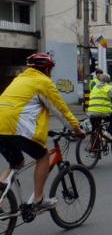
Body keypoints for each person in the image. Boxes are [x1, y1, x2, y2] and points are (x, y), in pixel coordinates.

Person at [0, 53, 85, 211]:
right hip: (16, 127)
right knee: (43, 156)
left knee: (17, 163)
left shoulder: (19, 79)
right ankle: (38, 199)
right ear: (46, 69)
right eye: (50, 69)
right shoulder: (43, 82)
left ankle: (1, 189)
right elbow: (60, 109)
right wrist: (76, 129)